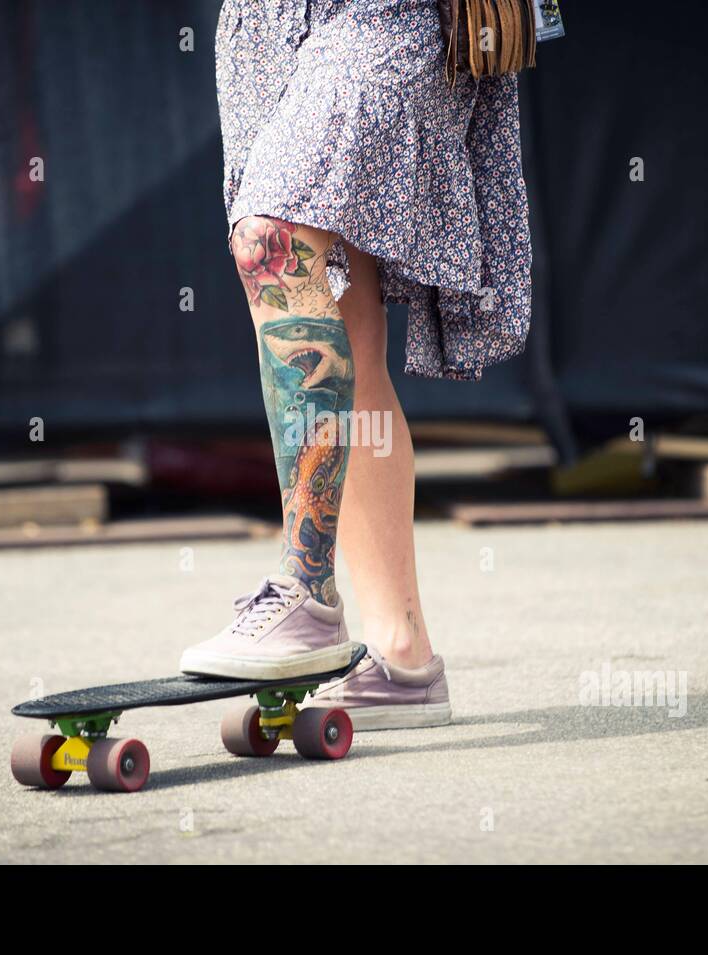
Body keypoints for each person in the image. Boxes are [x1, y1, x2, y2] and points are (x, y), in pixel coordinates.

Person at [180, 0, 532, 731]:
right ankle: (403, 653)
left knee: (271, 240)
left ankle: (305, 591)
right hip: (266, 30)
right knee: (342, 318)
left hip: (387, 17)